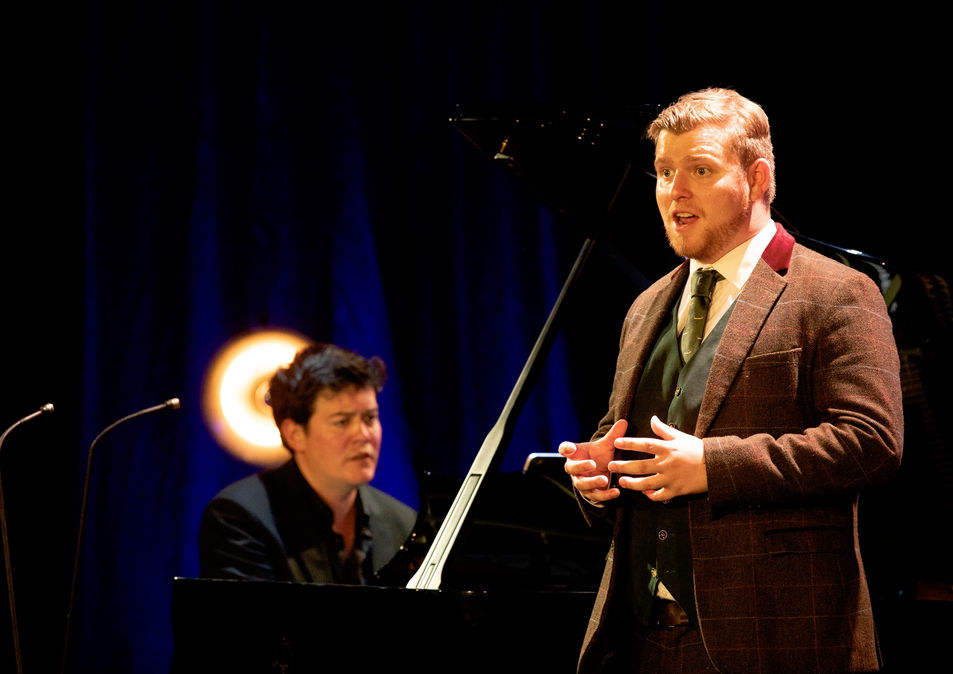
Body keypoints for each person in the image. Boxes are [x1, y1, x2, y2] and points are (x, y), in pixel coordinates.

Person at [558, 88, 903, 673]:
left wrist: (714, 466)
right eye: (665, 171)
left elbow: (871, 443)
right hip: (639, 640)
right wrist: (601, 470)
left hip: (775, 638)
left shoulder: (837, 292)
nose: (675, 191)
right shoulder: (646, 306)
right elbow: (634, 438)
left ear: (757, 176)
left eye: (700, 169)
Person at [199, 342, 416, 584]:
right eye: (342, 421)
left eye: (370, 418)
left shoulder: (404, 524)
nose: (364, 435)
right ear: (295, 434)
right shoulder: (240, 518)